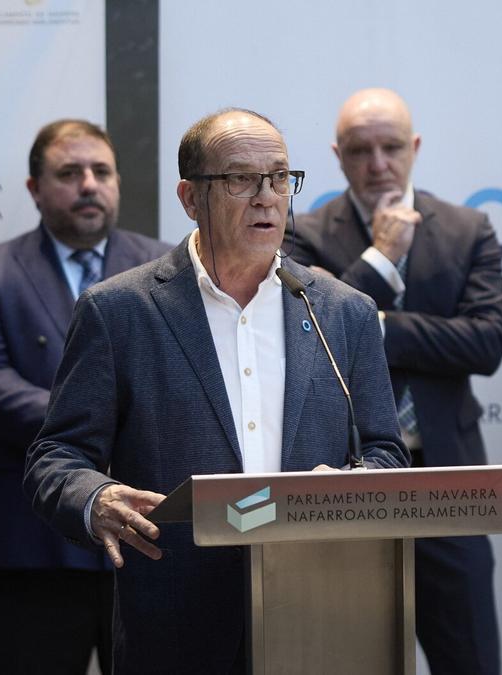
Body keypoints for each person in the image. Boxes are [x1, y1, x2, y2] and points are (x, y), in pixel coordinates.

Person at [23, 108, 409, 674]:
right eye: (240, 179)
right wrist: (96, 498)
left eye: (280, 177)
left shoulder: (340, 311)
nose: (266, 197)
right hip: (176, 622)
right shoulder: (121, 310)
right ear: (189, 197)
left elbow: (386, 452)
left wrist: (354, 487)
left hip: (317, 611)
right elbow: (55, 456)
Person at [285, 87, 502, 675]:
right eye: (360, 150)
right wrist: (383, 257)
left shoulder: (467, 229)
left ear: (414, 148)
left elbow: (487, 343)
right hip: (341, 476)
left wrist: (377, 328)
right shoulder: (301, 235)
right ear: (337, 155)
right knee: (344, 658)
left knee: (471, 656)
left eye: (390, 147)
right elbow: (317, 331)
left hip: (446, 480)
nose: (377, 164)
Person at [0, 119, 169, 674]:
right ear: (35, 188)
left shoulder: (167, 269)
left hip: (146, 538)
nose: (88, 184)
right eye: (69, 173)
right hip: (26, 543)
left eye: (101, 171)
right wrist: (94, 425)